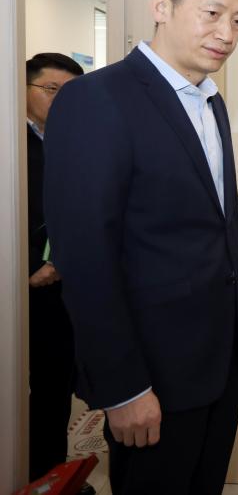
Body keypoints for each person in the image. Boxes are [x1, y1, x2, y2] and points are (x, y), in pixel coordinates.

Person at [44, 0, 238, 494]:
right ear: (161, 7)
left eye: (237, 20)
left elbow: (221, 225)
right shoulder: (96, 99)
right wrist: (122, 387)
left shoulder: (210, 102)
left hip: (217, 356)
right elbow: (84, 257)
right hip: (151, 371)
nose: (227, 34)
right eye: (212, 14)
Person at [25, 52, 83, 480]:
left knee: (54, 390)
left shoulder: (75, 142)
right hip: (20, 285)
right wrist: (28, 266)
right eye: (51, 89)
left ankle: (49, 478)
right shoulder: (11, 143)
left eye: (70, 93)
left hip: (61, 287)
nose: (61, 100)